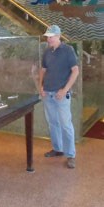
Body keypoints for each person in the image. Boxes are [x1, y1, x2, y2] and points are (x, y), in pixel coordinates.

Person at [39, 25, 79, 169]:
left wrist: (65, 89)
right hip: (48, 93)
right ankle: (57, 149)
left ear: (58, 36)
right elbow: (43, 70)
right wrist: (41, 86)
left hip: (61, 94)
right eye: (47, 36)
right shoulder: (47, 52)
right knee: (53, 123)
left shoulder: (68, 51)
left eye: (50, 36)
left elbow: (75, 71)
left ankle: (71, 155)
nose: (48, 39)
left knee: (66, 125)